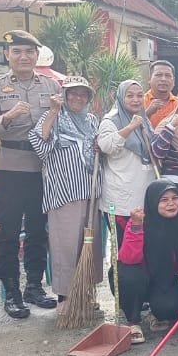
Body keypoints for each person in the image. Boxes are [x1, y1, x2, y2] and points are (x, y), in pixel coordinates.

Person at [0, 30, 62, 316]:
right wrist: (8, 117)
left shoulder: (52, 86)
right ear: (7, 55)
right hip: (10, 167)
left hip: (43, 167)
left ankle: (34, 286)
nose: (23, 57)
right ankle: (11, 290)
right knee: (9, 231)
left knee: (39, 229)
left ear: (37, 56)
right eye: (17, 52)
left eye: (29, 52)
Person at [29, 76, 102, 304]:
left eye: (83, 94)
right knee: (66, 246)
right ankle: (66, 297)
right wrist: (52, 111)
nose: (78, 98)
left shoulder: (91, 120)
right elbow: (39, 145)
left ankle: (86, 293)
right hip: (64, 193)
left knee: (89, 246)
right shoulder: (54, 116)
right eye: (73, 93)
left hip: (90, 192)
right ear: (64, 95)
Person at [117, 179, 178, 342]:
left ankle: (156, 310)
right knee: (129, 275)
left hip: (169, 277)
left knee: (170, 309)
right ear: (153, 202)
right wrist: (136, 226)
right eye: (164, 200)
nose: (171, 203)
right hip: (142, 276)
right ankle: (133, 321)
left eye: (175, 198)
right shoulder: (140, 220)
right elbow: (128, 259)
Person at [98, 79, 156, 270]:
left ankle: (138, 287)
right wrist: (130, 127)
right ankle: (120, 286)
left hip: (143, 197)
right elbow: (105, 146)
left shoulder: (143, 120)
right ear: (121, 97)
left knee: (140, 248)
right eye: (129, 95)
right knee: (122, 250)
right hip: (119, 201)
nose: (135, 99)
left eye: (139, 95)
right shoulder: (111, 120)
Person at [143, 60, 178, 127]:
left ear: (173, 81)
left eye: (167, 75)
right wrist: (148, 112)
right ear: (149, 79)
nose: (163, 79)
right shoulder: (139, 102)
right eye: (158, 75)